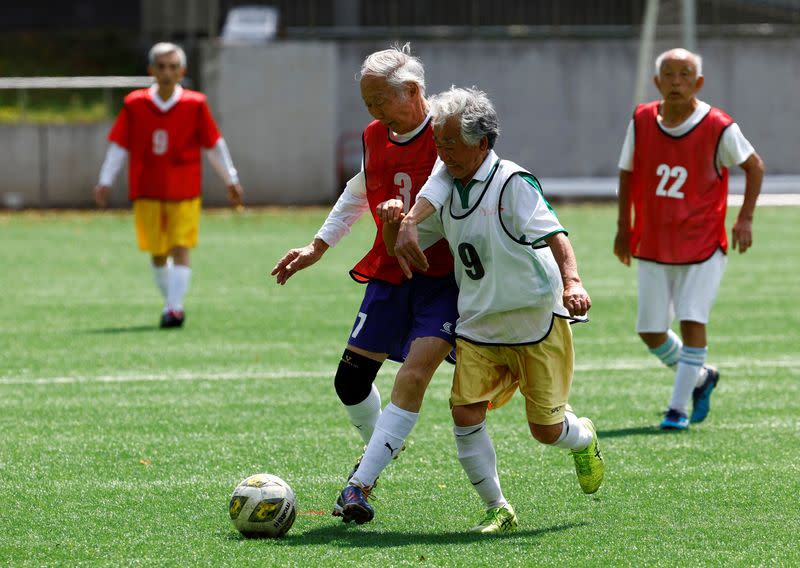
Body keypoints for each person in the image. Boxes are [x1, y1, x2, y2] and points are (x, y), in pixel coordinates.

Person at [386, 86, 605, 533]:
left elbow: (556, 236)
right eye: (438, 143)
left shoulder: (513, 182)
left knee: (545, 431)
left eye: (450, 143)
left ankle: (582, 437)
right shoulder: (444, 188)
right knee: (465, 411)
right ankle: (498, 507)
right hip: (479, 326)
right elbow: (405, 250)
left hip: (535, 322)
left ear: (481, 142)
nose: (441, 152)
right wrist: (396, 227)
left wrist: (573, 281)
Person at [269, 44, 459, 524]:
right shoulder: (376, 134)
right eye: (367, 102)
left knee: (416, 378)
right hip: (391, 272)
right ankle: (382, 450)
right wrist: (318, 245)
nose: (373, 112)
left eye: (379, 101)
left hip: (446, 279)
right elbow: (361, 189)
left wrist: (413, 225)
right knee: (350, 382)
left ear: (413, 91)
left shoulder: (449, 132)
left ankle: (363, 479)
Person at [613, 48, 764, 430]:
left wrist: (745, 218)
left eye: (685, 75)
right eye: (669, 74)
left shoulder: (718, 125)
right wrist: (623, 226)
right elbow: (627, 173)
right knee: (649, 331)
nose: (676, 81)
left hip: (703, 245)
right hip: (653, 243)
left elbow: (754, 165)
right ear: (657, 82)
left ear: (698, 83)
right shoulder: (642, 119)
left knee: (692, 319)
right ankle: (700, 376)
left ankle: (677, 409)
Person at [94, 42, 243, 328]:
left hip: (184, 191)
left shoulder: (195, 103)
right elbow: (119, 146)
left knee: (180, 246)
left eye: (173, 67)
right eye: (161, 67)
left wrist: (231, 179)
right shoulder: (135, 104)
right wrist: (105, 180)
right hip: (147, 190)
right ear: (151, 70)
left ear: (182, 71)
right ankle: (171, 303)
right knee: (158, 252)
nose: (167, 72)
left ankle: (174, 308)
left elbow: (214, 145)